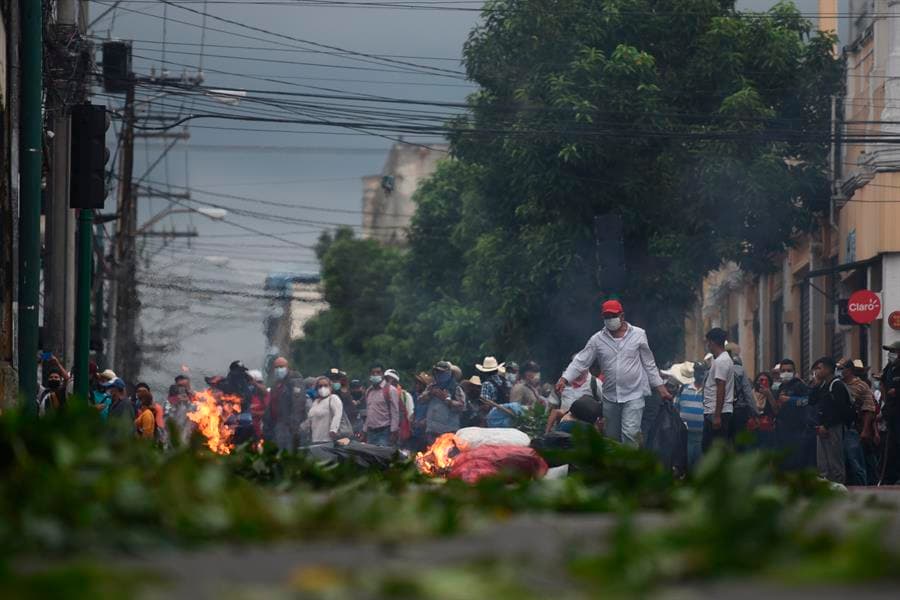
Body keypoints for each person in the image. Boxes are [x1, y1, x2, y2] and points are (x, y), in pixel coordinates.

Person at [555, 300, 671, 447]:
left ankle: (629, 468)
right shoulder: (597, 339)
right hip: (610, 396)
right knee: (612, 436)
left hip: (634, 394)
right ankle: (615, 467)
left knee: (630, 433)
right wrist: (564, 379)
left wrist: (661, 389)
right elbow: (581, 361)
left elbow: (649, 364)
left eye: (613, 315)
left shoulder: (639, 335)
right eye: (606, 316)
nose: (610, 319)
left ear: (622, 316)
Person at [809, 356, 854, 484]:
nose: (817, 371)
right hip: (821, 427)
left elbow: (839, 410)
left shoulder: (836, 385)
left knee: (835, 461)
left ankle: (839, 485)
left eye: (819, 368)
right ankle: (826, 486)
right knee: (823, 462)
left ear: (828, 369)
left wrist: (827, 426)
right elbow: (812, 401)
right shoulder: (823, 385)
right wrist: (816, 385)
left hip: (833, 427)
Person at [840, 359, 876, 486]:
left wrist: (866, 430)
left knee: (855, 461)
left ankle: (862, 489)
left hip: (853, 428)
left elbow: (869, 408)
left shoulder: (861, 385)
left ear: (849, 370)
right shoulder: (835, 383)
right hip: (836, 428)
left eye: (841, 368)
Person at [774, 358, 815, 471]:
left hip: (798, 429)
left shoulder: (799, 385)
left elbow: (807, 400)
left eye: (789, 370)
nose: (786, 373)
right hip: (783, 429)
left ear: (794, 372)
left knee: (797, 461)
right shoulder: (780, 387)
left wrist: (790, 400)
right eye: (783, 370)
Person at [701, 328, 735, 452]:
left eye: (708, 342)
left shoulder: (722, 361)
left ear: (712, 342)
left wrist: (717, 416)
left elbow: (721, 387)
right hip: (715, 410)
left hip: (717, 412)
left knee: (712, 451)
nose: (707, 345)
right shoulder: (720, 360)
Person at [264, 356, 305, 451]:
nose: (279, 370)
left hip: (287, 426)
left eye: (281, 367)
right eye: (276, 367)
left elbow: (298, 405)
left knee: (286, 452)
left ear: (288, 368)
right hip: (277, 425)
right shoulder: (277, 384)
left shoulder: (295, 382)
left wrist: (293, 426)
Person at [420, 361, 466, 443]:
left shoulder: (456, 388)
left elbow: (462, 406)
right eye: (437, 371)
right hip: (432, 429)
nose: (438, 374)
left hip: (449, 430)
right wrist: (430, 393)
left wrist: (446, 399)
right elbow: (420, 400)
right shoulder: (431, 387)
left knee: (446, 454)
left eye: (441, 372)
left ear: (448, 373)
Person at [673, 362, 705, 469]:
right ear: (694, 373)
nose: (699, 374)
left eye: (702, 371)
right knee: (685, 462)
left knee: (699, 464)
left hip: (702, 435)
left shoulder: (709, 391)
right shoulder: (683, 389)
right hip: (684, 435)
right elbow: (675, 408)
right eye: (697, 371)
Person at [725, 342, 759, 438]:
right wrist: (755, 414)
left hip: (723, 412)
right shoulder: (740, 370)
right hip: (738, 412)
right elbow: (747, 394)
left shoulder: (717, 368)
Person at [363, 363, 401, 447]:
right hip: (370, 432)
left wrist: (393, 432)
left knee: (382, 457)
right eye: (373, 373)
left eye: (378, 372)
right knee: (370, 457)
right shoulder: (368, 391)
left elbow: (395, 412)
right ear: (370, 375)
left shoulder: (391, 390)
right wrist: (364, 430)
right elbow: (368, 412)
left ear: (383, 374)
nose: (375, 375)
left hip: (384, 432)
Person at [304, 375, 346, 444]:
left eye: (325, 385)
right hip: (315, 439)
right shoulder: (315, 402)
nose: (323, 388)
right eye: (320, 386)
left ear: (330, 387)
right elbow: (310, 419)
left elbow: (338, 414)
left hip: (328, 440)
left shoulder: (333, 398)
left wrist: (333, 430)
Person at [881, 341, 900, 484]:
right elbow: (883, 383)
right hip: (892, 414)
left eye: (893, 351)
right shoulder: (889, 368)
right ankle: (890, 477)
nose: (891, 354)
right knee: (892, 447)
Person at [248, 369, 269, 442]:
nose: (249, 384)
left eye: (251, 382)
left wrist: (254, 413)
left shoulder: (264, 395)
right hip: (249, 431)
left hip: (261, 432)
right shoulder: (248, 396)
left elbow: (268, 412)